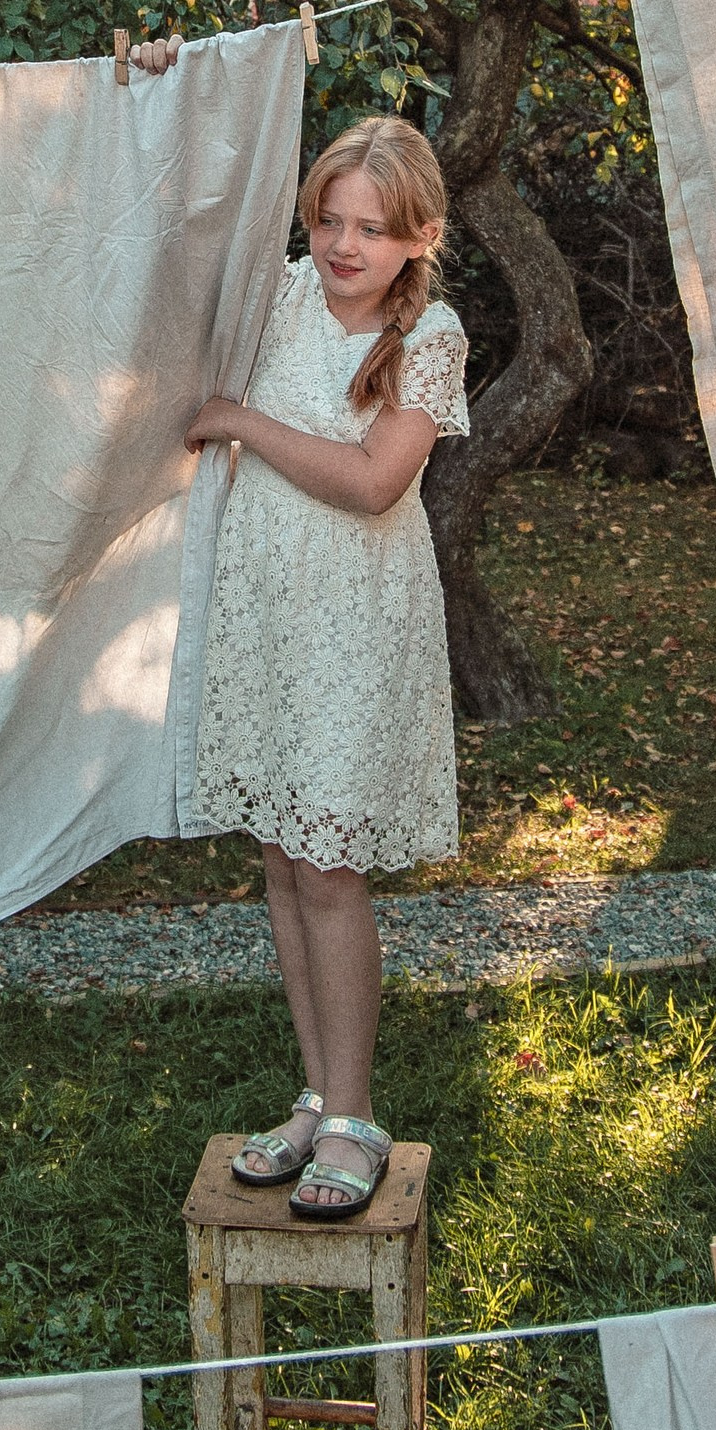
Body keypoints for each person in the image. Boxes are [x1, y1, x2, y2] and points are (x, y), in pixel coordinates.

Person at [185, 115, 472, 1219]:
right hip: (268, 610)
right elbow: (178, 212)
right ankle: (312, 1093)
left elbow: (371, 481)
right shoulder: (277, 297)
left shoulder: (429, 333)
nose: (344, 245)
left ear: (419, 236)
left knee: (329, 867)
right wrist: (164, 82)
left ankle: (354, 1115)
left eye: (371, 227)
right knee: (279, 859)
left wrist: (240, 423)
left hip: (356, 621)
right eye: (327, 219)